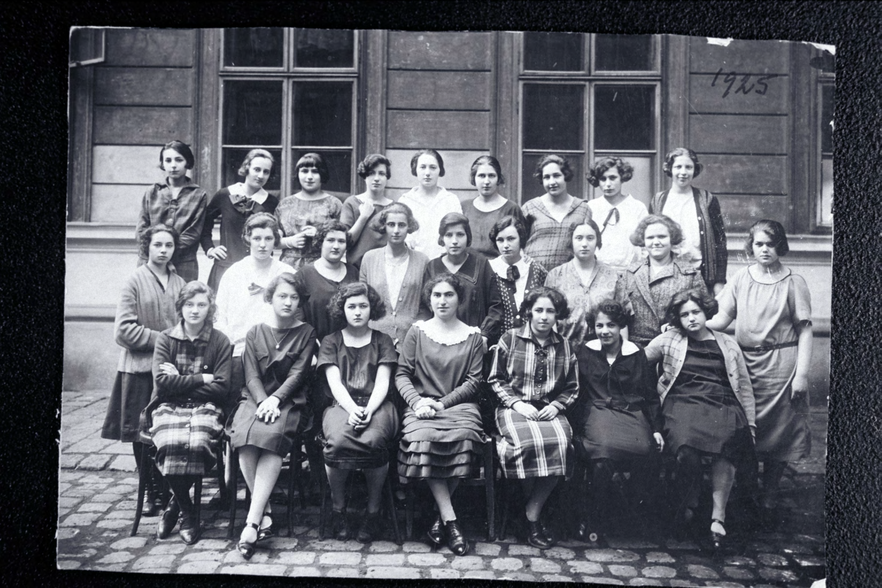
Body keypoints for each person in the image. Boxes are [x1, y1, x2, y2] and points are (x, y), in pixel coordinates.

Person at [706, 220, 812, 511]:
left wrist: (801, 375)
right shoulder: (741, 278)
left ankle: (770, 491)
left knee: (781, 428)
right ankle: (744, 487)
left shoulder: (793, 282)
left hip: (781, 365)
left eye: (771, 243)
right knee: (744, 425)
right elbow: (721, 318)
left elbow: (804, 330)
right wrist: (689, 324)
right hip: (745, 363)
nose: (765, 249)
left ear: (781, 246)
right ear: (751, 247)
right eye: (759, 244)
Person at [644, 289, 755, 551]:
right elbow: (635, 361)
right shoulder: (669, 339)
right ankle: (689, 504)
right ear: (677, 319)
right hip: (682, 402)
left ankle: (718, 517)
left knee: (729, 443)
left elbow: (745, 388)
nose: (691, 318)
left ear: (706, 312)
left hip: (722, 404)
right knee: (685, 448)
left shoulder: (727, 343)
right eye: (684, 315)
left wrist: (751, 425)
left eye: (696, 312)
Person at [226, 274, 317, 560]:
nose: (288, 302)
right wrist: (263, 400)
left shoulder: (307, 332)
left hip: (289, 402)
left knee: (272, 437)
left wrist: (276, 399)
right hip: (255, 398)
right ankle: (263, 511)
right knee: (244, 438)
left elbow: (298, 374)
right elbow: (251, 373)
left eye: (293, 297)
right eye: (282, 296)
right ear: (270, 298)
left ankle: (251, 524)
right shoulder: (255, 332)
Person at [101, 224, 187, 517]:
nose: (164, 251)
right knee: (142, 432)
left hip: (167, 371)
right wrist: (162, 338)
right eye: (158, 245)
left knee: (165, 430)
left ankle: (165, 486)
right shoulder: (134, 281)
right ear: (146, 247)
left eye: (169, 246)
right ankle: (149, 488)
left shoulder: (179, 282)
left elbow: (186, 325)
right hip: (138, 369)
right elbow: (123, 331)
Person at [396, 274, 485, 556]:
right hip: (421, 407)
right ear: (429, 299)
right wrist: (417, 401)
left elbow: (473, 381)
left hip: (458, 407)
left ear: (459, 299)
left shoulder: (473, 337)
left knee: (465, 437)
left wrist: (443, 404)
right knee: (424, 438)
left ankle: (441, 518)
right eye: (437, 295)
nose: (442, 301)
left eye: (449, 295)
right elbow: (402, 374)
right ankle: (451, 521)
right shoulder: (418, 332)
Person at [488, 287, 579, 549]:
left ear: (557, 315)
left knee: (562, 445)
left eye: (550, 311)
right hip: (513, 407)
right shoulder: (510, 339)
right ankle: (528, 516)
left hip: (548, 408)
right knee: (527, 444)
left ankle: (531, 513)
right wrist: (516, 403)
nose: (544, 317)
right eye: (538, 310)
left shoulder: (564, 345)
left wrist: (558, 406)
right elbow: (495, 379)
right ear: (529, 311)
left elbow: (572, 387)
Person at [146, 281, 232, 545]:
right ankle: (187, 510)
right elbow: (162, 384)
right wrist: (202, 378)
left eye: (202, 305)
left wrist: (181, 381)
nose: (195, 310)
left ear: (210, 308)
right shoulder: (166, 338)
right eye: (189, 304)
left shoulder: (219, 341)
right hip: (167, 407)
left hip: (206, 408)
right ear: (180, 307)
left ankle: (174, 505)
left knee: (197, 443)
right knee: (170, 441)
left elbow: (222, 388)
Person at [573, 300, 662, 544]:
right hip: (598, 410)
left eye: (611, 325)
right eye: (599, 325)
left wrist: (656, 429)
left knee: (646, 450)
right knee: (602, 455)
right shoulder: (585, 351)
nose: (605, 331)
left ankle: (628, 518)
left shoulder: (636, 354)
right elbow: (576, 392)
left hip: (631, 414)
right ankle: (595, 519)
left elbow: (650, 395)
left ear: (621, 326)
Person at [317, 283, 400, 542]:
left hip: (377, 405)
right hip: (342, 405)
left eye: (363, 306)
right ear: (342, 310)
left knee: (375, 442)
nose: (357, 312)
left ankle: (373, 511)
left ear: (371, 308)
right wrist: (353, 409)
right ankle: (338, 508)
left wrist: (367, 410)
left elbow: (384, 382)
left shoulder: (382, 340)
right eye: (351, 306)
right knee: (338, 443)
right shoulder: (331, 341)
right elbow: (334, 383)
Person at [215, 213, 294, 414]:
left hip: (277, 353)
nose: (262, 245)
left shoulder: (286, 272)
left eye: (268, 239)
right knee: (236, 408)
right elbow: (220, 315)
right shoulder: (234, 272)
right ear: (247, 238)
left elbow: (296, 315)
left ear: (275, 240)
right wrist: (229, 345)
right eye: (257, 238)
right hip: (239, 352)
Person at [650, 148, 728, 295]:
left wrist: (719, 281)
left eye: (689, 167)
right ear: (670, 169)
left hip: (700, 276)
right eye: (678, 167)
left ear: (695, 169)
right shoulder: (658, 201)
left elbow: (720, 242)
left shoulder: (707, 199)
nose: (683, 172)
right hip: (665, 276)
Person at [201, 149, 279, 292]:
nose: (261, 175)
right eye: (256, 169)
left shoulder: (271, 202)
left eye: (266, 172)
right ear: (246, 168)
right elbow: (204, 222)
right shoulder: (225, 195)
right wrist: (210, 248)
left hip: (259, 271)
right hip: (225, 266)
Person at [420, 213, 503, 346]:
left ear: (468, 237)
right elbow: (424, 307)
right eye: (448, 235)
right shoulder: (433, 267)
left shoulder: (481, 265)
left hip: (473, 342)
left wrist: (485, 335)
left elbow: (496, 306)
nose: (454, 241)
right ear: (441, 239)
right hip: (438, 342)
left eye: (460, 234)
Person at [624, 214, 707, 347]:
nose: (656, 242)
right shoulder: (630, 273)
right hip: (637, 348)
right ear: (643, 241)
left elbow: (702, 314)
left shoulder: (690, 274)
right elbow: (622, 315)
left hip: (678, 346)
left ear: (672, 239)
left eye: (662, 237)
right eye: (650, 238)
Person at [545, 220, 631, 347]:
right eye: (579, 238)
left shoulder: (612, 276)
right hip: (565, 350)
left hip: (604, 353)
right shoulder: (555, 275)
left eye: (590, 238)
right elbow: (548, 318)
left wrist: (623, 355)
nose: (584, 244)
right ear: (571, 241)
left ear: (597, 241)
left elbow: (622, 320)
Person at [136, 140, 208, 282]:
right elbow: (141, 229)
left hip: (183, 263)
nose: (173, 165)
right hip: (151, 261)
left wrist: (167, 251)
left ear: (187, 162)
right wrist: (156, 253)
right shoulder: (152, 192)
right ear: (162, 164)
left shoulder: (198, 194)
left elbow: (193, 233)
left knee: (182, 301)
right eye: (168, 160)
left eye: (179, 160)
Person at [359, 202, 430, 347]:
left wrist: (414, 332)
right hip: (374, 338)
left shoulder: (422, 260)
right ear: (383, 226)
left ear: (409, 227)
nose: (396, 230)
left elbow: (426, 305)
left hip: (411, 340)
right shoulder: (369, 258)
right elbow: (362, 299)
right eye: (391, 224)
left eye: (402, 225)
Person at [522, 154, 593, 271]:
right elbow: (518, 243)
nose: (552, 182)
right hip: (533, 276)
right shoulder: (530, 207)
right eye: (546, 177)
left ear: (566, 176)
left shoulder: (582, 208)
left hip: (569, 276)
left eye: (556, 175)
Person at [292, 220, 361, 342]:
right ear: (320, 243)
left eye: (341, 241)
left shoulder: (353, 272)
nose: (336, 246)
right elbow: (297, 315)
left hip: (351, 346)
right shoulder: (304, 275)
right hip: (315, 346)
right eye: (330, 240)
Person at [276, 153, 343, 271]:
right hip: (287, 267)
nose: (310, 176)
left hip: (322, 266)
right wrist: (290, 241)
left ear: (322, 173)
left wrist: (319, 234)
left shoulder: (334, 204)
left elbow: (343, 239)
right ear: (298, 174)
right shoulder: (285, 204)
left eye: (315, 171)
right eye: (304, 171)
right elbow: (273, 239)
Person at [585, 156, 648, 273]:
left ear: (622, 178)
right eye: (603, 179)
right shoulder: (592, 207)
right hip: (598, 272)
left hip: (631, 272)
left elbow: (646, 244)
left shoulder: (637, 207)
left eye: (613, 178)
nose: (608, 184)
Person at [487, 215, 548, 334]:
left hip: (530, 341)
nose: (505, 245)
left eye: (511, 239)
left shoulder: (536, 269)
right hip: (496, 343)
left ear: (521, 238)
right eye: (500, 240)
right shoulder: (488, 269)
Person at [398, 149, 463, 258]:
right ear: (415, 170)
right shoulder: (405, 201)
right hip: (412, 261)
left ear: (439, 170)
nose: (427, 173)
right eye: (422, 167)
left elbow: (458, 234)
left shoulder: (450, 200)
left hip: (444, 263)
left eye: (433, 167)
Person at [460, 155, 526, 259]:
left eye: (491, 176)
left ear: (498, 178)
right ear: (474, 178)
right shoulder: (464, 207)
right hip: (468, 268)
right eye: (481, 176)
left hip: (498, 270)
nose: (486, 181)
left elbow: (521, 246)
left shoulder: (511, 208)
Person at [340, 154, 394, 268]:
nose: (376, 178)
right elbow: (344, 242)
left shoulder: (393, 207)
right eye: (371, 173)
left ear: (387, 177)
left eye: (381, 173)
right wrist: (363, 217)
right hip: (355, 269)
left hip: (385, 269)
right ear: (364, 176)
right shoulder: (352, 203)